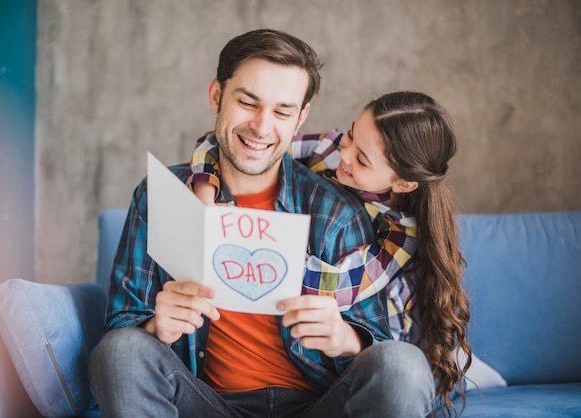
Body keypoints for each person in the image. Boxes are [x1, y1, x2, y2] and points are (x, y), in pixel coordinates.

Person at [88, 29, 435, 418]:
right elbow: (121, 325)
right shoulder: (162, 194)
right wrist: (155, 328)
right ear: (217, 96)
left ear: (300, 118)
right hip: (203, 404)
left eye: (282, 112)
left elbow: (381, 347)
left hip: (316, 406)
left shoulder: (337, 211)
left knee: (403, 363)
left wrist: (346, 339)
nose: (261, 126)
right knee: (121, 350)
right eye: (247, 102)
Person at [189, 90, 472, 417]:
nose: (345, 155)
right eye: (351, 134)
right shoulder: (332, 149)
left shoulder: (400, 233)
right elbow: (226, 145)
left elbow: (333, 288)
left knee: (401, 365)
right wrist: (205, 193)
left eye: (362, 159)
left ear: (404, 184)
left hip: (372, 355)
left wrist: (253, 238)